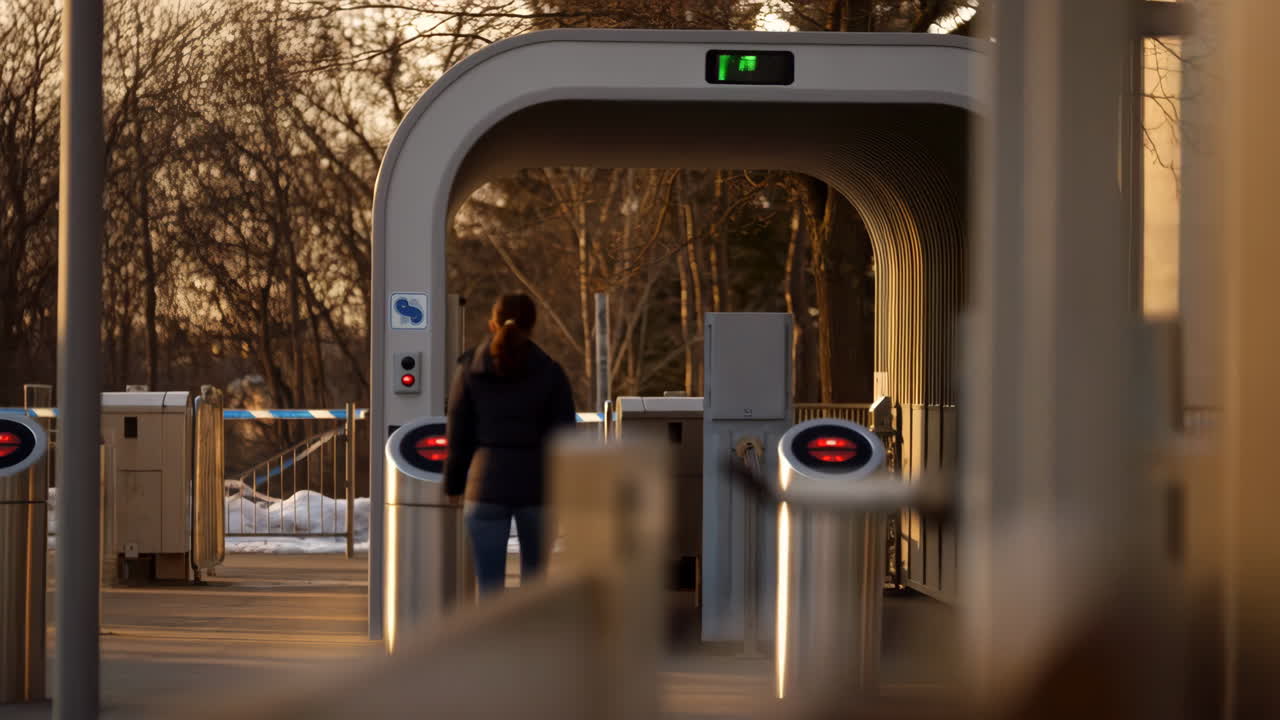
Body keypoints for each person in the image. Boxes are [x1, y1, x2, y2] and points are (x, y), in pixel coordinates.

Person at [443, 293, 577, 594]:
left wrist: (454, 485)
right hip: (538, 488)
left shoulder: (469, 371)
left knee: (489, 588)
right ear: (533, 326)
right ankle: (527, 639)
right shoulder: (551, 374)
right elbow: (564, 437)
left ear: (492, 324)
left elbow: (458, 435)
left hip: (485, 485)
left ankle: (493, 641)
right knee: (534, 587)